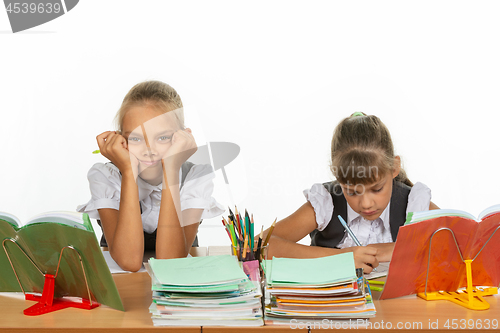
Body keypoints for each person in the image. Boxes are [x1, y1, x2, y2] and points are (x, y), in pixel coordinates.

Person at [264, 112, 439, 273]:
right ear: (337, 177)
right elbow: (261, 246)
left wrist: (396, 248)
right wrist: (342, 258)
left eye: (377, 189)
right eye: (352, 192)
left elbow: (463, 246)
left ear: (394, 168)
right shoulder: (327, 203)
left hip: (398, 307)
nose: (366, 204)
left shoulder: (414, 205)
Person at [78, 80, 223, 271]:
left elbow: (170, 263)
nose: (149, 150)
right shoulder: (106, 176)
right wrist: (129, 172)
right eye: (135, 138)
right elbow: (129, 261)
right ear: (121, 140)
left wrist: (171, 168)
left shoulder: (195, 178)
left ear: (181, 137)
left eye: (162, 137)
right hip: (124, 289)